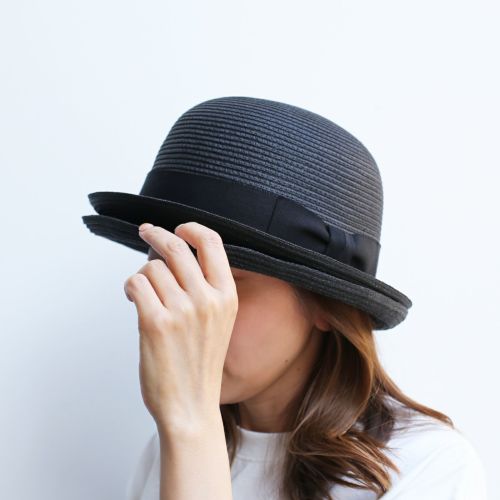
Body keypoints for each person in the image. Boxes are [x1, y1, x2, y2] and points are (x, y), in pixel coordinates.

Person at [82, 96, 488, 499]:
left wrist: (191, 425)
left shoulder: (425, 465)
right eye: (166, 276)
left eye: (221, 281)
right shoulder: (169, 445)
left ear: (326, 304)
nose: (180, 311)